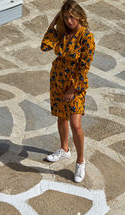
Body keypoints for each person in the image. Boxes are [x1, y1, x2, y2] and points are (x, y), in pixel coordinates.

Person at [40, 0, 95, 183]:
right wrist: (53, 24)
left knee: (75, 123)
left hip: (75, 84)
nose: (70, 21)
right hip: (57, 80)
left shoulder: (87, 37)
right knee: (61, 117)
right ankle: (64, 150)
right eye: (66, 17)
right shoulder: (62, 33)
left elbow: (84, 67)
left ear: (79, 15)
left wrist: (72, 89)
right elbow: (45, 46)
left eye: (72, 17)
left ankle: (80, 161)